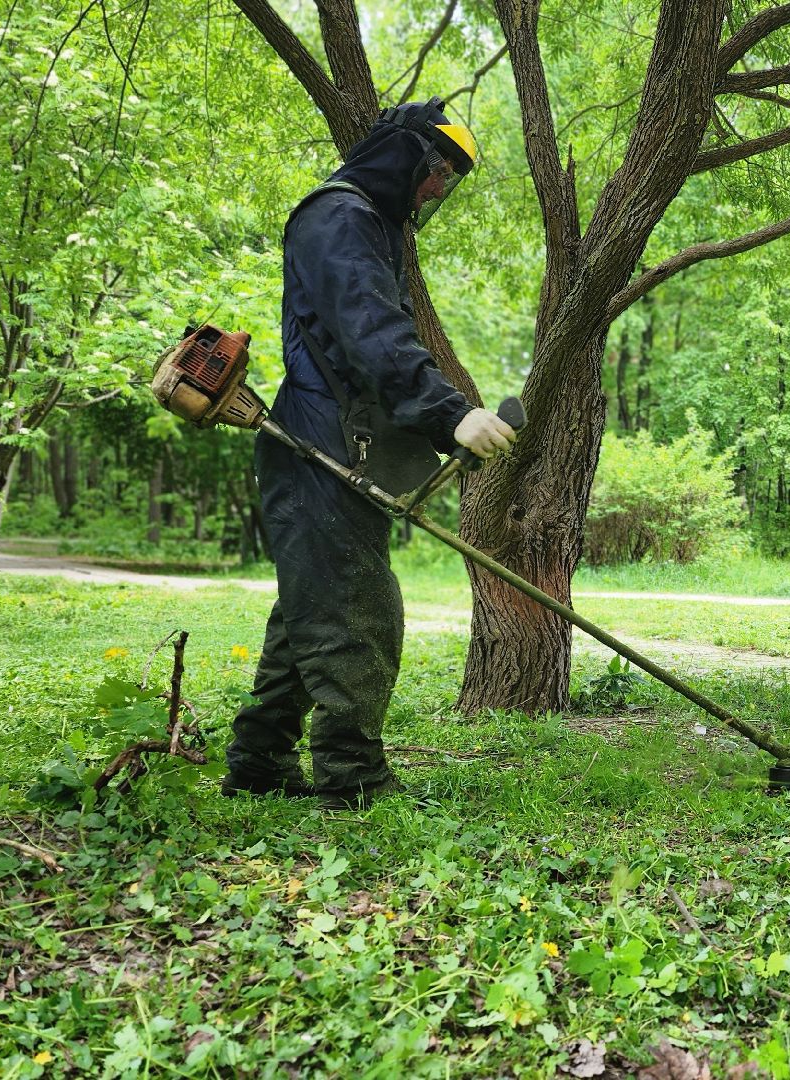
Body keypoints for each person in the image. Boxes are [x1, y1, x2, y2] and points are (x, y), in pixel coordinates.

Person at [222, 99, 516, 810]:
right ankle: (352, 777)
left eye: (451, 177)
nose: (440, 187)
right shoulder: (341, 217)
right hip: (315, 441)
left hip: (332, 439)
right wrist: (450, 415)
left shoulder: (365, 224)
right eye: (439, 170)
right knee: (357, 611)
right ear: (404, 159)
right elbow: (371, 331)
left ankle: (260, 763)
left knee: (310, 610)